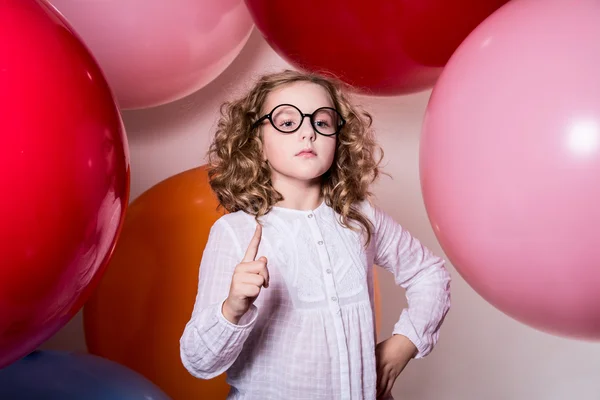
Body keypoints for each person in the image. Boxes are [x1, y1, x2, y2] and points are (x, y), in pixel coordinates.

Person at [179, 69, 451, 400]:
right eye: (287, 122)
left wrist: (403, 344)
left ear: (339, 139)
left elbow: (430, 273)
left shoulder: (359, 218)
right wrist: (233, 308)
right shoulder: (235, 233)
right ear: (258, 144)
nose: (308, 133)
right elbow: (197, 361)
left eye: (321, 123)